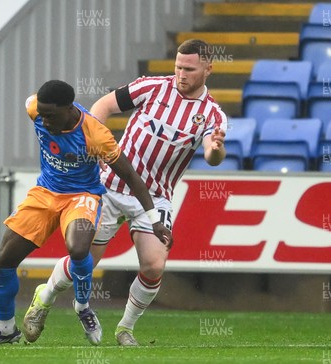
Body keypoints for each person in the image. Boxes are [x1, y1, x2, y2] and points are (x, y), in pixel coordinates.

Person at [23, 39, 227, 346]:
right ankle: (45, 296)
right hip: (109, 185)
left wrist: (215, 149)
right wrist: (89, 140)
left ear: (208, 69)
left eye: (189, 69)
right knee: (85, 261)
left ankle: (125, 328)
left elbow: (213, 157)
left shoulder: (213, 116)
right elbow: (104, 106)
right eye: (178, 67)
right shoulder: (152, 87)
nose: (181, 74)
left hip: (155, 196)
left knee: (154, 264)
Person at [0, 80, 172, 346]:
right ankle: (6, 330)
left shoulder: (95, 135)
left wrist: (155, 221)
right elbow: (34, 105)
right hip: (45, 193)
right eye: (42, 115)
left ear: (69, 109)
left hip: (82, 196)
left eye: (51, 116)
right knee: (3, 261)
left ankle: (82, 307)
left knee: (78, 249)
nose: (44, 122)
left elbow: (131, 176)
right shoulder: (34, 108)